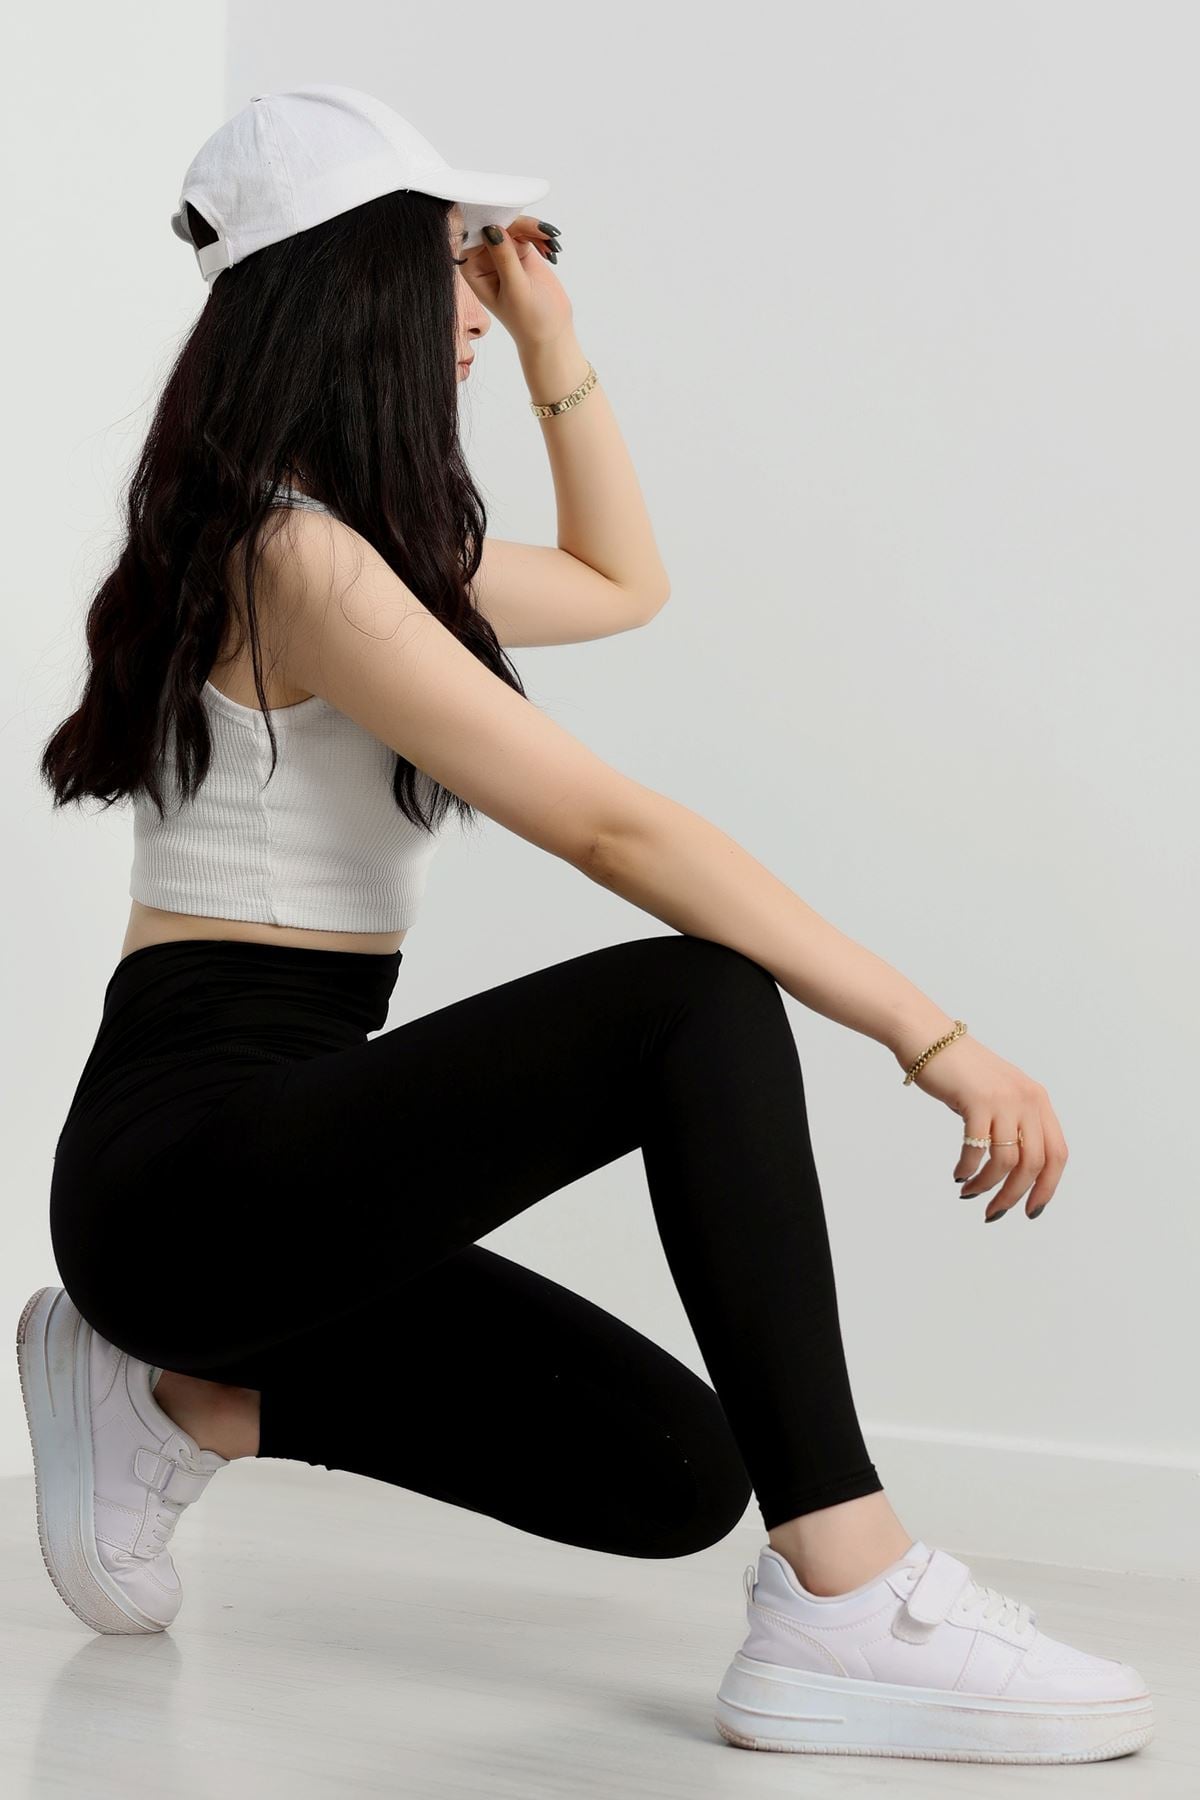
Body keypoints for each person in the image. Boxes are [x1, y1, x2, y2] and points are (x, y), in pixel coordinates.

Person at [16, 86, 1151, 1765]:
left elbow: (626, 585)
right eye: (452, 267)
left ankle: (177, 1400)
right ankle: (850, 1593)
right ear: (354, 287)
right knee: (691, 1003)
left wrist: (556, 343)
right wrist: (932, 1036)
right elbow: (616, 829)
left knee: (675, 1474)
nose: (477, 301)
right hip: (187, 1176)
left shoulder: (356, 548)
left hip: (264, 1183)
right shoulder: (293, 558)